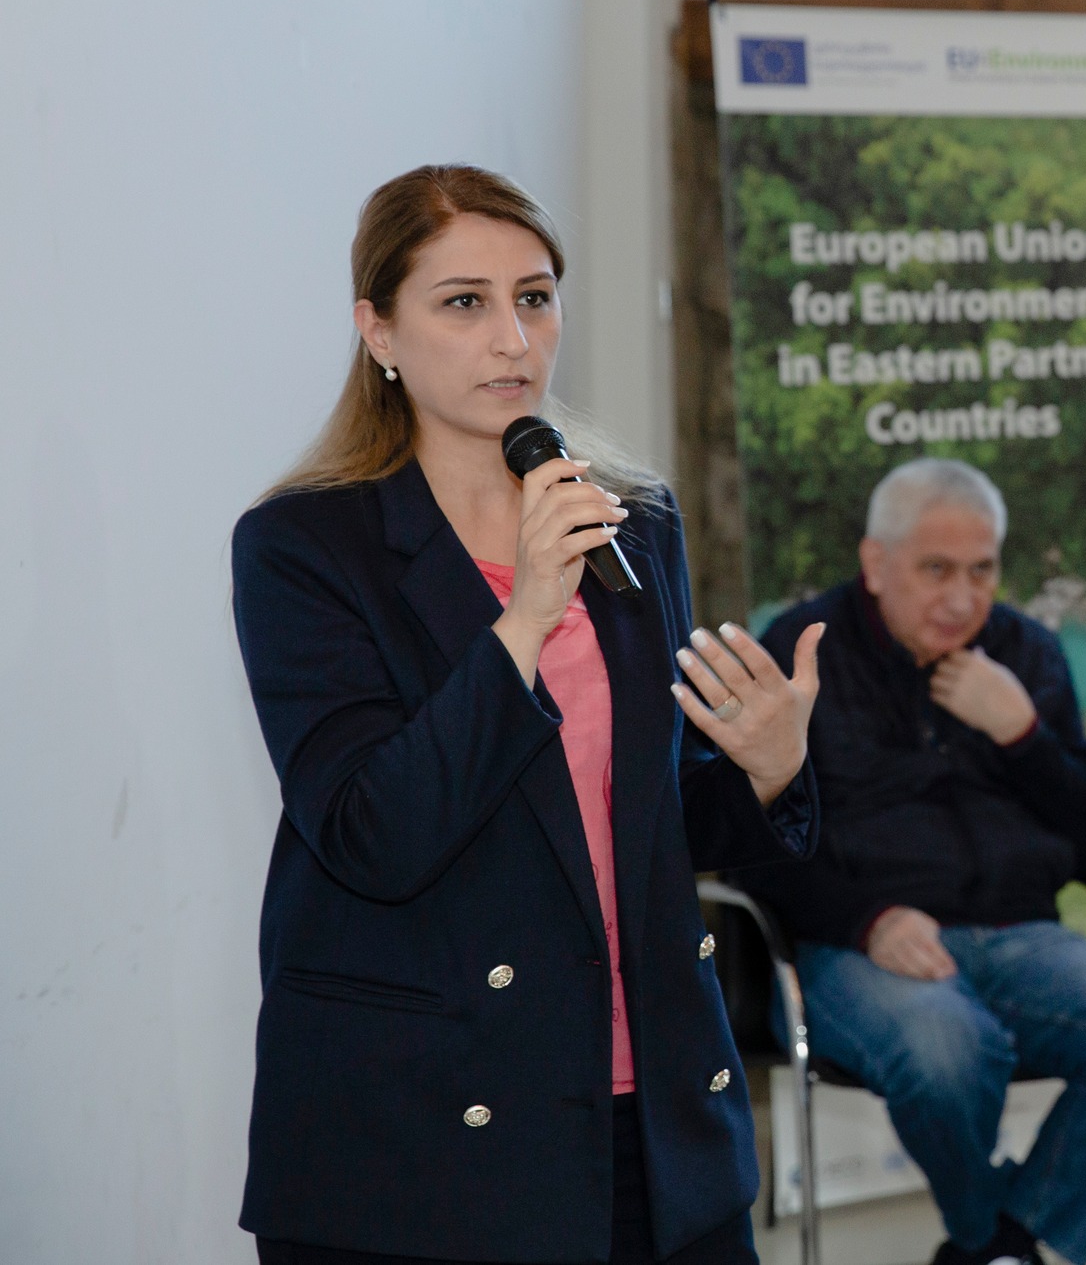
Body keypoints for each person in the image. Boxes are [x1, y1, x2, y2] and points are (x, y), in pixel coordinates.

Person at [232, 165, 825, 1265]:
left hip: (653, 1113)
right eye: (464, 302)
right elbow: (371, 833)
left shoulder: (632, 520)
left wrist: (769, 766)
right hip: (425, 1129)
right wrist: (524, 620)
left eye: (535, 298)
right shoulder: (303, 548)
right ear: (379, 330)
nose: (512, 339)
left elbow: (642, 820)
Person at [736, 458, 1086, 1265]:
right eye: (937, 570)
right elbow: (752, 842)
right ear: (876, 564)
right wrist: (869, 921)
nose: (962, 598)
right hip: (852, 946)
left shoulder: (1024, 650)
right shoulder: (801, 652)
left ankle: (1000, 1245)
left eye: (982, 571)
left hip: (1022, 937)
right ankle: (992, 1240)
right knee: (947, 1050)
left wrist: (1021, 732)